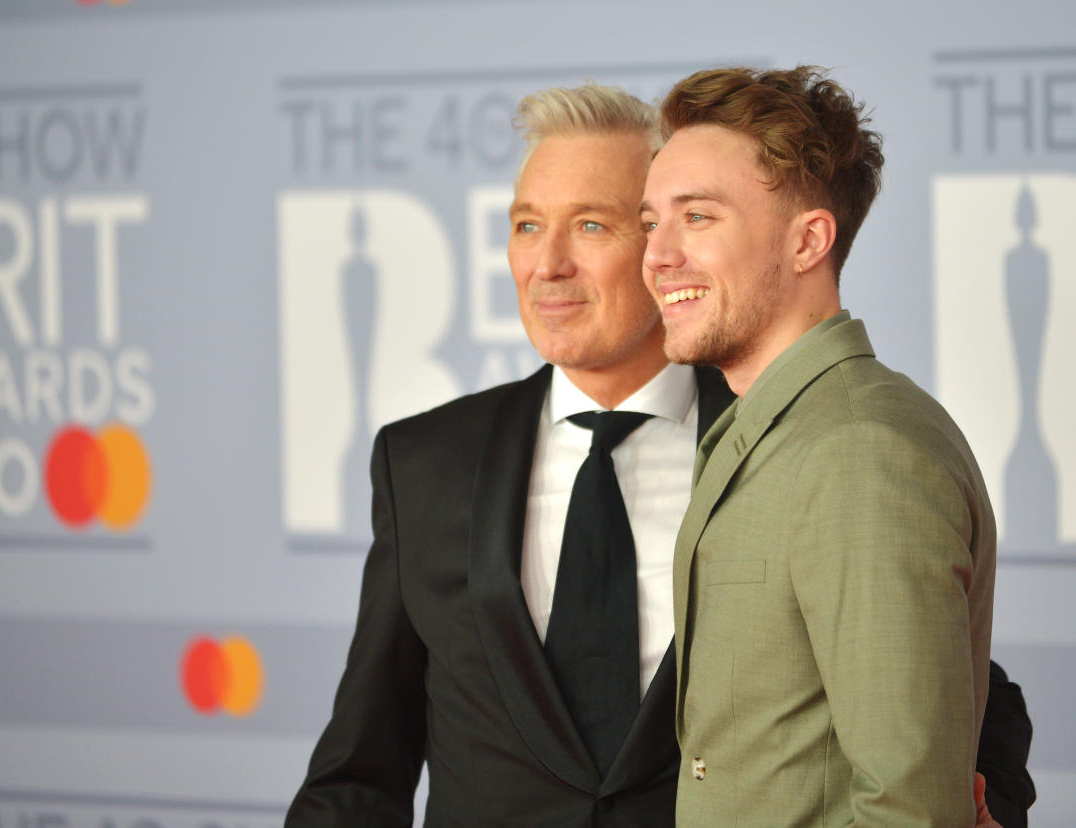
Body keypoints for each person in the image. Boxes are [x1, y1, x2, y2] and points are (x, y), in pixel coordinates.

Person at [285, 82, 1033, 827]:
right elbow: (359, 769)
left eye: (592, 225)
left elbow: (931, 695)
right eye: (524, 226)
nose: (548, 264)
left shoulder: (807, 439)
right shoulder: (424, 463)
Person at [640, 65, 1003, 826]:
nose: (658, 256)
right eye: (651, 223)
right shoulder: (764, 429)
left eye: (698, 218)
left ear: (809, 241)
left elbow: (911, 808)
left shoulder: (859, 451)